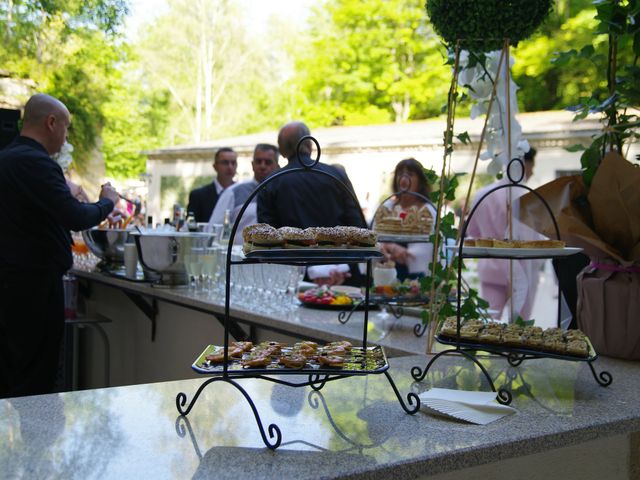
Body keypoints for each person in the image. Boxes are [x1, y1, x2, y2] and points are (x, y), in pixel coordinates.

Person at [0, 93, 118, 398]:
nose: (65, 140)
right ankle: (36, 444)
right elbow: (75, 216)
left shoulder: (8, 157)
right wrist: (107, 202)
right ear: (51, 123)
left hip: (13, 281)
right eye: (65, 129)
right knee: (36, 377)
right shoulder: (35, 162)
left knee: (13, 372)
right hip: (32, 286)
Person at [257, 121, 366, 286]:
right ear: (309, 144)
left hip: (294, 277)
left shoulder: (272, 181)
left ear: (283, 150)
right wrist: (342, 267)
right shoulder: (336, 175)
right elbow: (358, 227)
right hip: (341, 274)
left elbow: (268, 237)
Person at [466, 147, 542, 321]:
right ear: (524, 164)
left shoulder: (482, 194)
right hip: (523, 272)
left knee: (490, 323)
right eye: (532, 165)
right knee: (519, 328)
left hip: (491, 267)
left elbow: (472, 232)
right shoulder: (528, 197)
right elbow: (533, 241)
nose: (532, 171)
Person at [208, 143, 279, 244]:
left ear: (277, 166)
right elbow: (214, 230)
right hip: (240, 257)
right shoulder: (234, 192)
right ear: (252, 164)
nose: (262, 166)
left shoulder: (284, 194)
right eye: (258, 161)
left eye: (268, 162)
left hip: (274, 257)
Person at [379, 158, 437, 281]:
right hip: (387, 272)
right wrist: (386, 247)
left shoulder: (428, 211)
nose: (404, 179)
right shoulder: (387, 207)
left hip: (418, 277)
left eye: (410, 175)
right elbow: (375, 236)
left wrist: (407, 253)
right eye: (400, 174)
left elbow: (432, 247)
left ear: (420, 181)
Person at [187, 147, 237, 222]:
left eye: (233, 163)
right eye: (225, 163)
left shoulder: (243, 194)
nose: (230, 167)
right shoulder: (198, 196)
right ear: (215, 166)